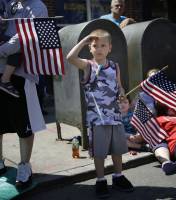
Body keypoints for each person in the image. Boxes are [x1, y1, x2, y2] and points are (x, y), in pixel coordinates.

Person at [66, 29, 134, 198]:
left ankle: (118, 176)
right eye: (95, 45)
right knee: (100, 152)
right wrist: (83, 41)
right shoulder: (88, 65)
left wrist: (123, 97)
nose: (99, 49)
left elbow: (119, 86)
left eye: (103, 45)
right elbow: (70, 58)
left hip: (115, 116)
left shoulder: (114, 66)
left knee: (117, 149)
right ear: (90, 48)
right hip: (97, 118)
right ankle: (101, 179)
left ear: (109, 48)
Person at [0, 0, 47, 188]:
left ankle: (24, 166)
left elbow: (25, 38)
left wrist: (1, 50)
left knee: (23, 123)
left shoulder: (37, 6)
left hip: (22, 73)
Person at [0, 0, 20, 97]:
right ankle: (5, 80)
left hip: (2, 34)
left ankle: (5, 80)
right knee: (17, 48)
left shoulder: (7, 3)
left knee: (17, 45)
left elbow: (5, 19)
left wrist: (3, 21)